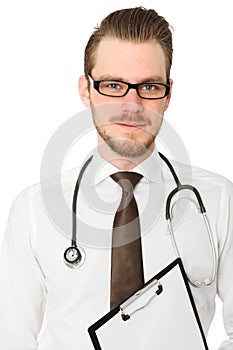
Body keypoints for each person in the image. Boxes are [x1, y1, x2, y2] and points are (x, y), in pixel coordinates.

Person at [0, 6, 233, 350]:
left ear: (168, 94)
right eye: (113, 85)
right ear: (86, 90)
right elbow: (11, 338)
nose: (132, 104)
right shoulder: (33, 210)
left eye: (149, 87)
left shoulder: (217, 201)